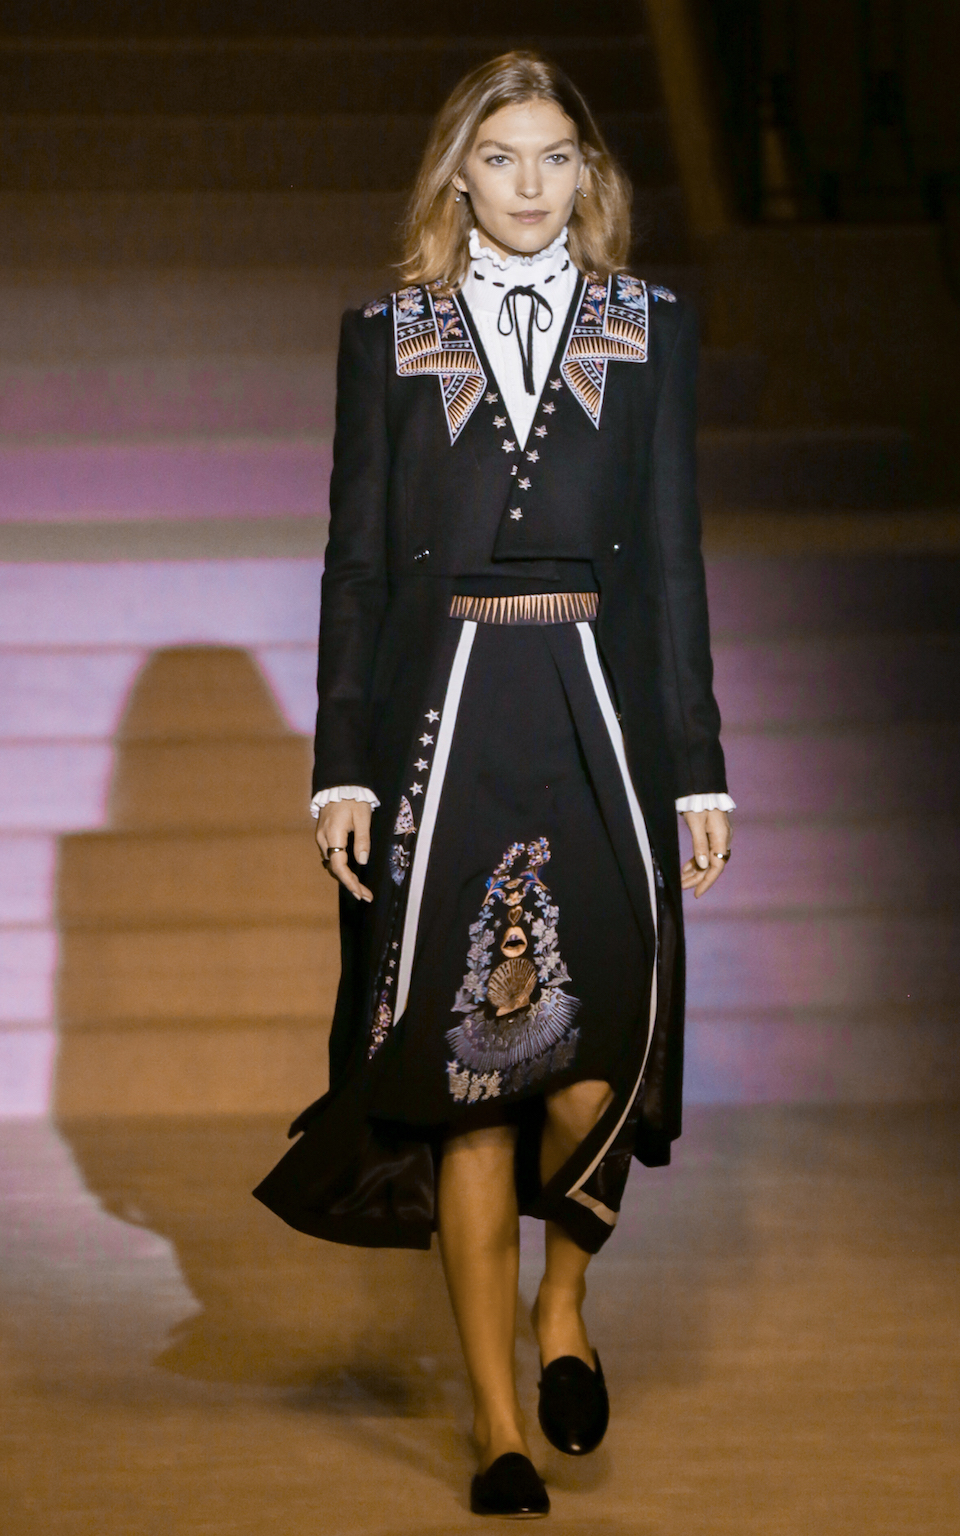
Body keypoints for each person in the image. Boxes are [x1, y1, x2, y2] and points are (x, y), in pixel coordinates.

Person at [254, 50, 733, 1519]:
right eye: (501, 157)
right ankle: (495, 1425)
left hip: (599, 723)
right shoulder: (386, 336)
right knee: (472, 1081)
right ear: (457, 174)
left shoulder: (649, 328)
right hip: (443, 728)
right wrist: (341, 767)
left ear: (590, 174)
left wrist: (699, 771)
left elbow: (670, 560)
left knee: (598, 1066)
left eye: (555, 157)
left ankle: (561, 1300)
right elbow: (353, 562)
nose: (530, 183)